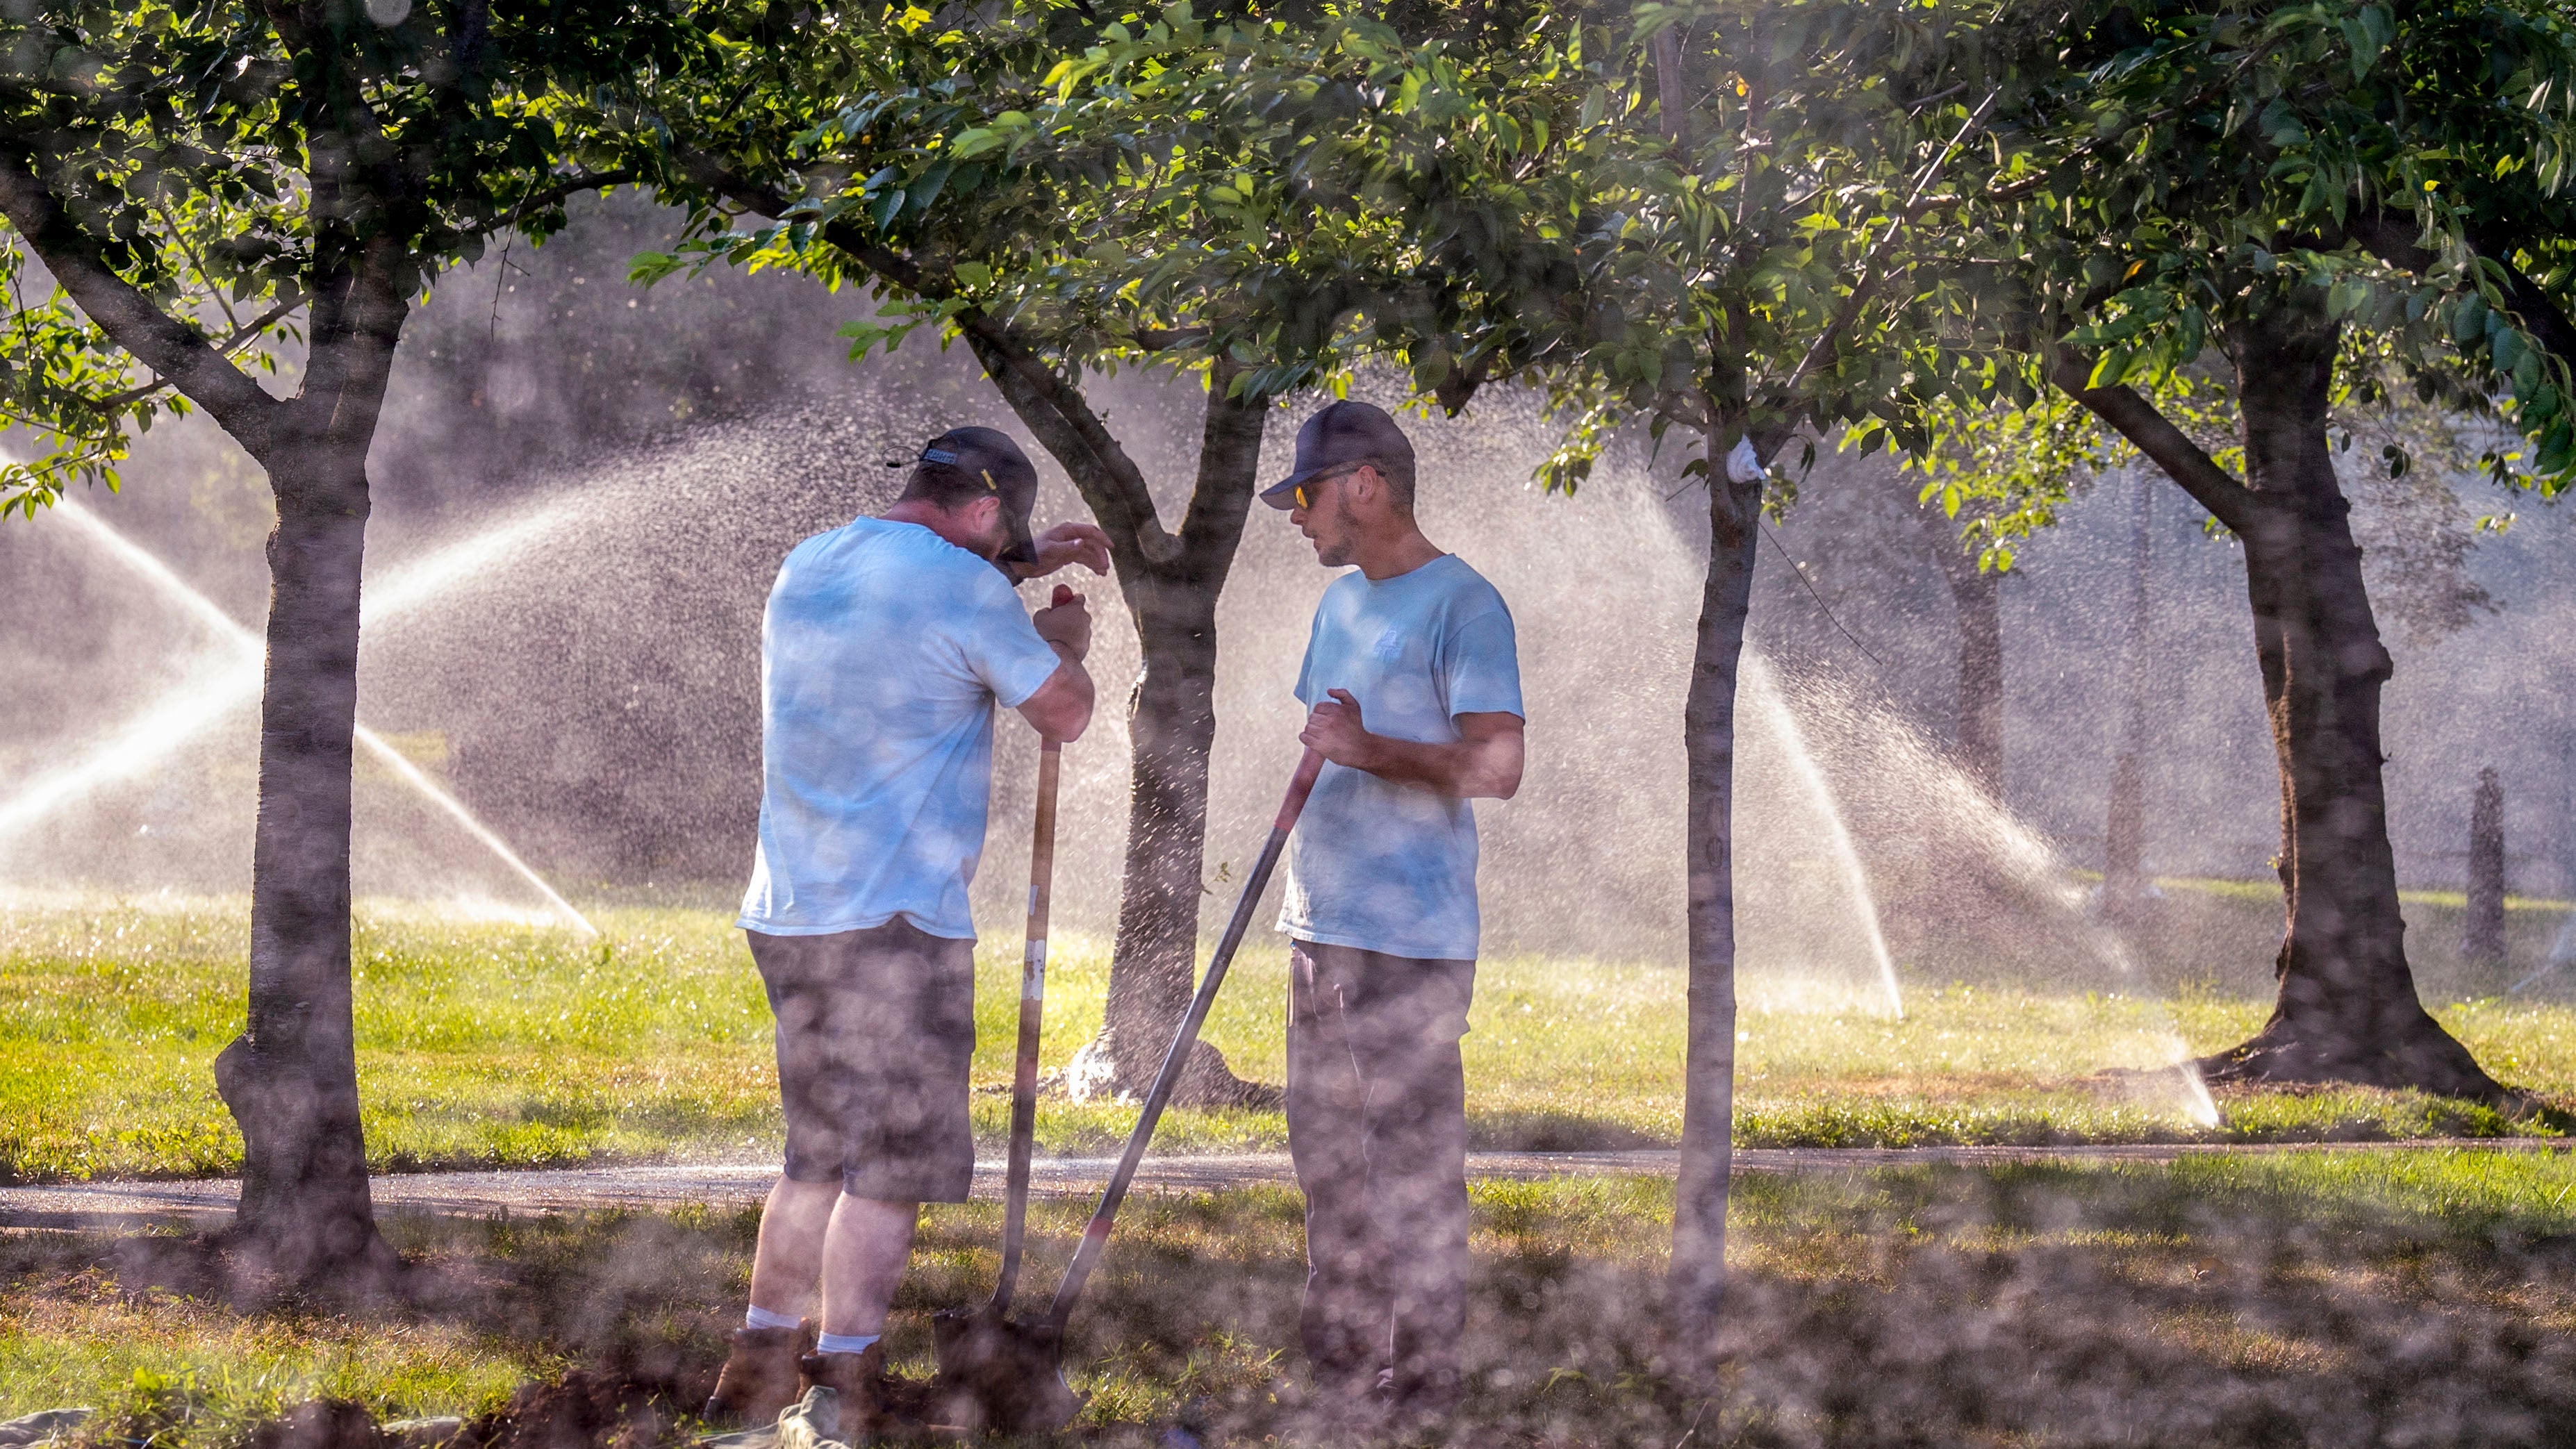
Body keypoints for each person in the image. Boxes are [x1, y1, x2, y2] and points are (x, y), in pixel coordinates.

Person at [704, 427, 1109, 1434]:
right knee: (887, 1170)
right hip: (898, 922)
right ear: (981, 514)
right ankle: (844, 1388)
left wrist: (1025, 559)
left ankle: (754, 1371)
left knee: (814, 1158)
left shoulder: (814, 560)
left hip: (791, 908)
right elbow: (1063, 714)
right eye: (998, 534)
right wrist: (1063, 647)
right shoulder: (968, 592)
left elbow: (925, 581)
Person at [1260, 399, 1526, 1427]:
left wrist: (1372, 751)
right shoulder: (1341, 606)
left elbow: (1499, 768)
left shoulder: (1465, 605)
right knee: (1327, 1170)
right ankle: (1335, 1370)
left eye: (1307, 494)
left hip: (1410, 944)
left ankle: (1422, 1383)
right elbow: (1326, 735)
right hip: (1319, 927)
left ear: (1364, 483)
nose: (1296, 516)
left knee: (1411, 1174)